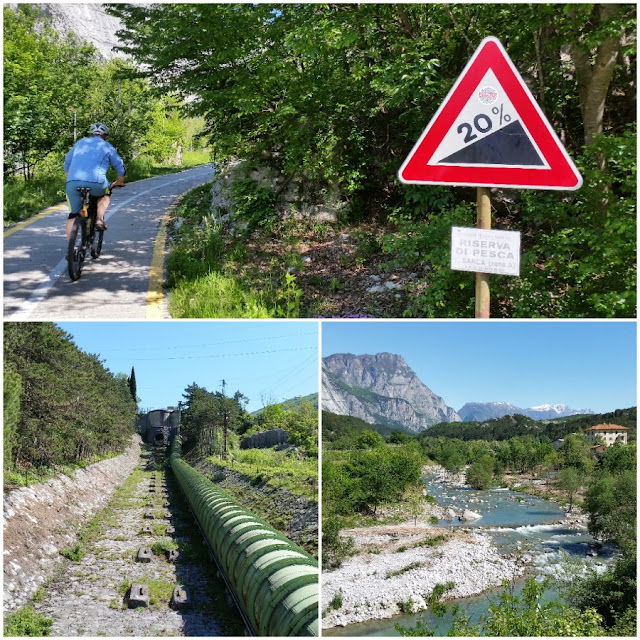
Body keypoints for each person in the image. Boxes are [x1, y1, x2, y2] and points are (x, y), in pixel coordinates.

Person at [63, 122, 126, 237]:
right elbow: (120, 167)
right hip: (97, 183)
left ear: (92, 134)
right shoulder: (107, 146)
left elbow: (66, 164)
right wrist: (119, 182)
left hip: (72, 182)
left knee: (73, 215)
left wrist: (72, 180)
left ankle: (71, 251)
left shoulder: (80, 143)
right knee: (105, 195)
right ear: (106, 136)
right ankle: (99, 219)